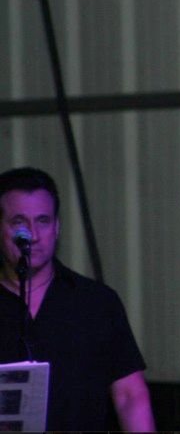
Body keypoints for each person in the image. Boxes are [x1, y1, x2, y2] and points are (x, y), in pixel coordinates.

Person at [0, 167, 155, 431]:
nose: (32, 235)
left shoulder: (95, 303)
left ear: (57, 227)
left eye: (43, 221)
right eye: (19, 222)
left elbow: (130, 395)